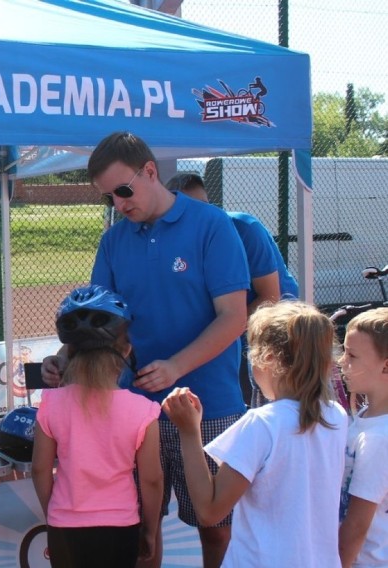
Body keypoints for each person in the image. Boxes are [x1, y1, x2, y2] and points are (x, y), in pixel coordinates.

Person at [43, 132, 249, 568]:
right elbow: (99, 321)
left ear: (150, 172)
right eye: (108, 198)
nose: (118, 205)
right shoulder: (115, 241)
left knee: (216, 533)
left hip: (209, 407)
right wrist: (63, 360)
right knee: (142, 538)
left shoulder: (212, 225)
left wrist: (176, 366)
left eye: (123, 190)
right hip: (130, 410)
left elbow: (234, 317)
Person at [162, 301, 348, 567]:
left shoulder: (261, 424)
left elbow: (210, 510)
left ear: (268, 358)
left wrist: (189, 432)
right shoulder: (336, 416)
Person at [31, 285, 163, 568]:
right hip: (121, 526)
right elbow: (152, 480)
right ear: (126, 349)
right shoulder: (143, 411)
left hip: (64, 526)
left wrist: (53, 513)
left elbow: (40, 469)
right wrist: (150, 530)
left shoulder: (51, 403)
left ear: (70, 352)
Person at [167, 172, 300, 406]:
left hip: (276, 327)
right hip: (240, 326)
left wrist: (221, 332)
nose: (203, 216)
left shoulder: (244, 228)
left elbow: (270, 297)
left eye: (206, 207)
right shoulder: (173, 239)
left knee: (268, 401)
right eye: (190, 211)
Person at [338, 308, 388, 567]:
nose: (342, 361)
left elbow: (356, 525)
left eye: (352, 355)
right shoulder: (368, 415)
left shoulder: (379, 438)